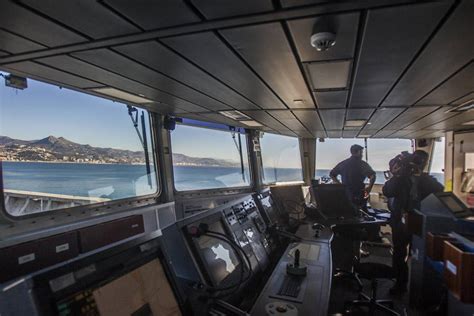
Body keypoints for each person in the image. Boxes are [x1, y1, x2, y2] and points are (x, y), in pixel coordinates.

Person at [383, 150, 443, 295]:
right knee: (399, 253)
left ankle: (421, 290)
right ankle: (400, 283)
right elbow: (387, 191)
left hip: (421, 221)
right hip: (400, 220)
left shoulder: (426, 180)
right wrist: (398, 175)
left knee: (419, 255)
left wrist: (418, 175)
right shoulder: (402, 179)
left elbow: (440, 190)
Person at [330, 144, 376, 211]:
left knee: (347, 212)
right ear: (357, 152)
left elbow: (332, 174)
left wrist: (339, 184)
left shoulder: (343, 163)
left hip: (345, 193)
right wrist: (369, 188)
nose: (362, 155)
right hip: (359, 193)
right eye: (361, 152)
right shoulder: (362, 164)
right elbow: (373, 175)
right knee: (361, 214)